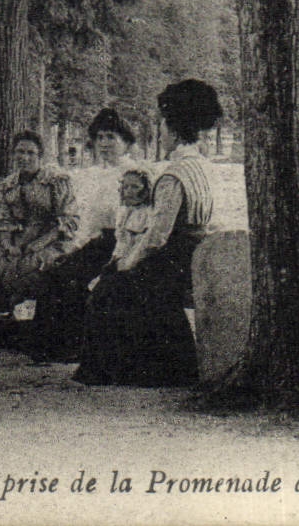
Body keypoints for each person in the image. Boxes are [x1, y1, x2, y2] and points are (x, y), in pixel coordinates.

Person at [73, 79, 220, 386]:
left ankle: (118, 370)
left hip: (173, 256)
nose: (161, 134)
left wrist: (128, 261)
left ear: (175, 131)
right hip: (194, 249)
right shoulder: (202, 166)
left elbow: (156, 236)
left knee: (110, 285)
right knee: (117, 281)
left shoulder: (173, 175)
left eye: (163, 127)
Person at [27, 108, 139, 363]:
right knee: (55, 270)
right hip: (95, 242)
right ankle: (49, 346)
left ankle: (73, 346)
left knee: (73, 277)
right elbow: (85, 221)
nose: (105, 144)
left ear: (126, 141)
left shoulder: (133, 174)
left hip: (121, 242)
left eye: (111, 137)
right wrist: (71, 247)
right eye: (100, 138)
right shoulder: (91, 175)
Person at [0, 131, 78, 349]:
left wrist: (38, 244)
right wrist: (8, 245)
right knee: (6, 274)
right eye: (20, 152)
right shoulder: (7, 184)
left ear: (40, 155)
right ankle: (13, 328)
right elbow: (1, 217)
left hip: (51, 242)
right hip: (18, 242)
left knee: (34, 273)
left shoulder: (55, 181)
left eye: (31, 153)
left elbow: (68, 218)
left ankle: (38, 330)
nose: (25, 157)